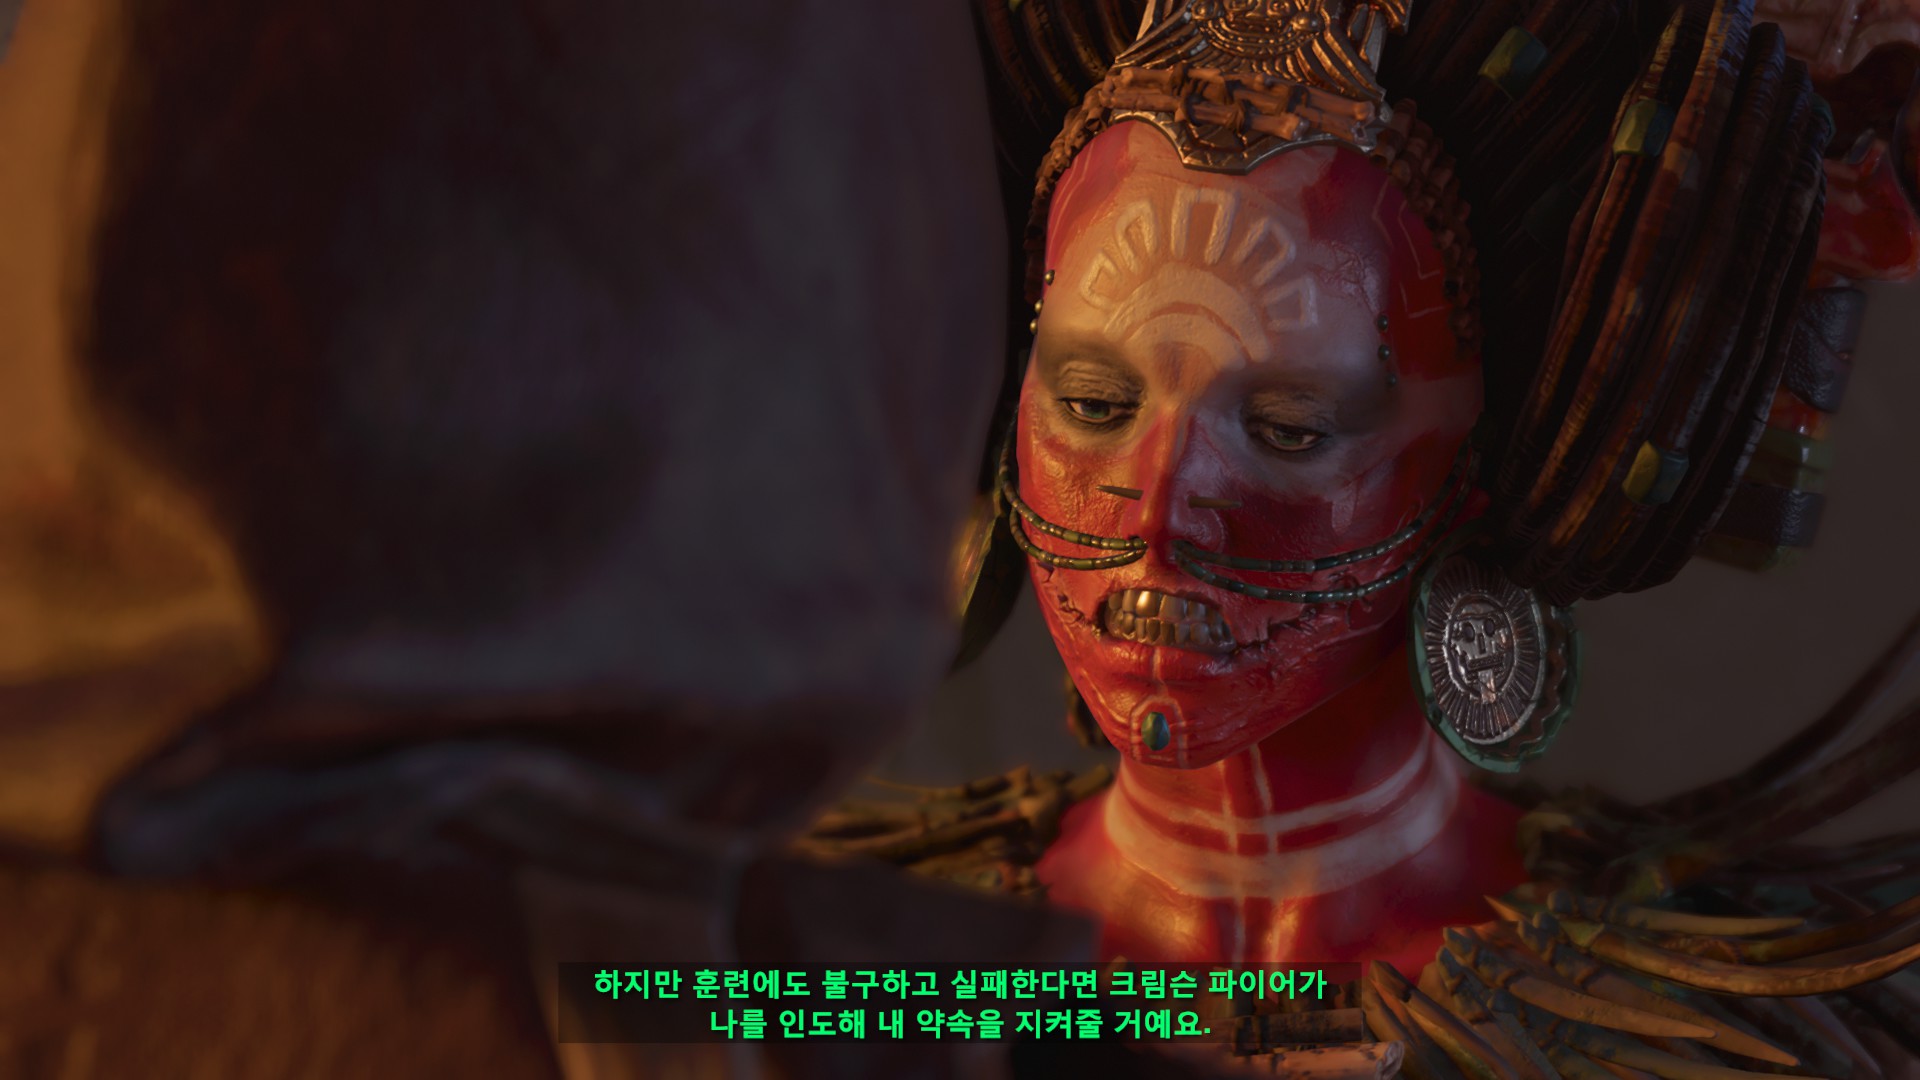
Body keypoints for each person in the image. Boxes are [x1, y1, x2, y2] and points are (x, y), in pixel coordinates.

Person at [811, 0, 1920, 1072]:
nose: (1158, 509)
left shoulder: (1713, 1043)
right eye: (1095, 404)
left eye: (1288, 428)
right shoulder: (818, 977)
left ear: (1476, 460)